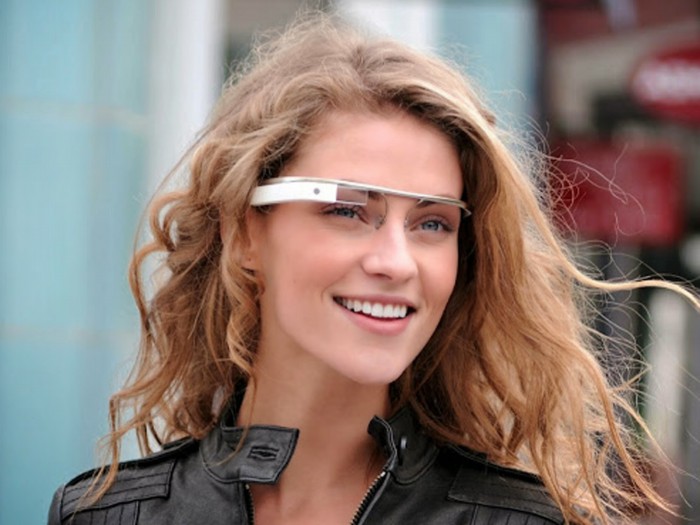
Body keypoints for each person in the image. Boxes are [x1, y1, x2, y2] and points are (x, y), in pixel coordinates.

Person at [48, 11, 699, 525]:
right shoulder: (108, 515)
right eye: (347, 211)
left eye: (432, 223)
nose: (395, 261)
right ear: (244, 232)